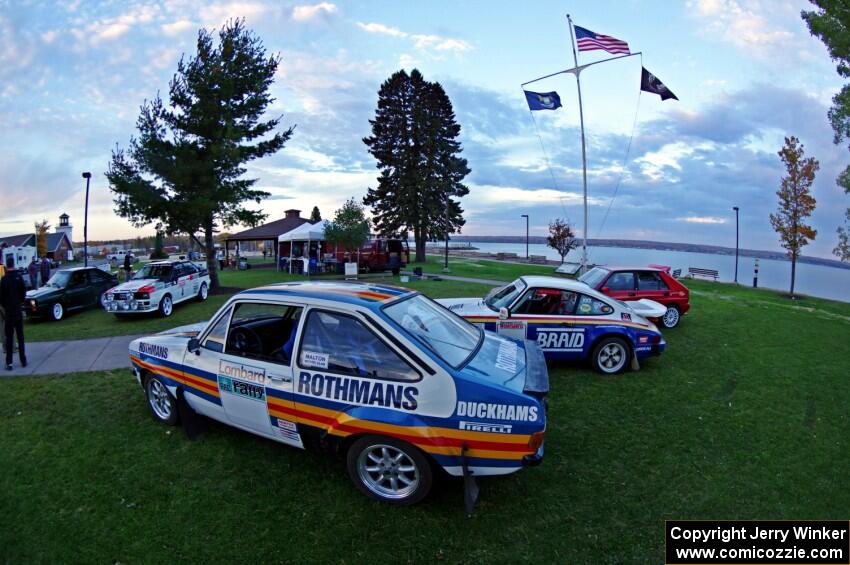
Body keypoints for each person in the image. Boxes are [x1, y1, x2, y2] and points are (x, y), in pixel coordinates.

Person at [0, 257, 27, 370]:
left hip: (9, 313)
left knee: (9, 337)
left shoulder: (4, 279)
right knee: (20, 337)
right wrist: (19, 302)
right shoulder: (19, 277)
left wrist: (6, 306)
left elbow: (0, 297)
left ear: (7, 264)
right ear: (14, 264)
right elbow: (24, 293)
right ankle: (23, 360)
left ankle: (9, 362)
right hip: (18, 311)